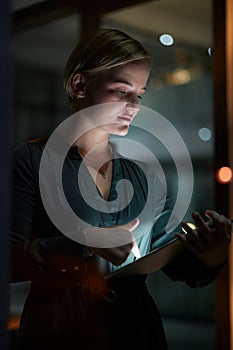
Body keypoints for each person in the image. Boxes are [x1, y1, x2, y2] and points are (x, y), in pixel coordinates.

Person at [10, 28, 232, 350]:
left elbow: (171, 260)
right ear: (80, 85)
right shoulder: (30, 161)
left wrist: (210, 256)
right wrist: (84, 242)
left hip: (136, 330)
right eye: (121, 91)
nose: (134, 106)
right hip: (60, 331)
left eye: (139, 95)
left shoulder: (144, 176)